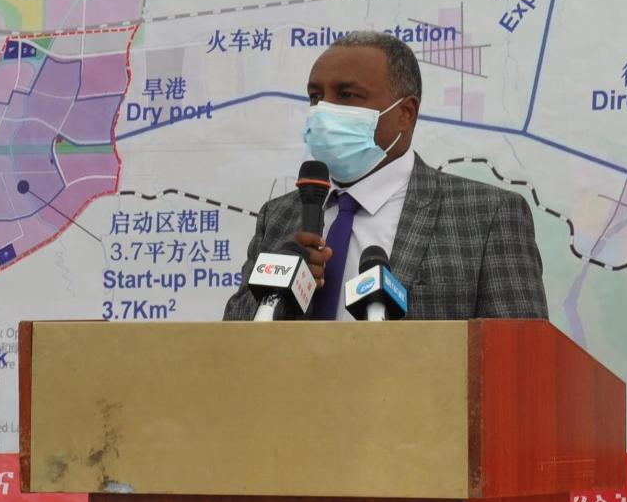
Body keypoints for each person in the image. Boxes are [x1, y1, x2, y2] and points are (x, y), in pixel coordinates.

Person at [222, 30, 548, 321]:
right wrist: (272, 292)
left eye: (347, 96)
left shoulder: (487, 216)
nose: (323, 111)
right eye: (316, 96)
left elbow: (521, 359)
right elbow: (233, 348)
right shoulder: (279, 217)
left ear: (405, 113)